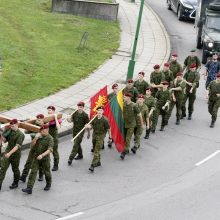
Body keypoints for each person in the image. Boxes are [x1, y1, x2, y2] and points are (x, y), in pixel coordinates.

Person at [22, 124, 53, 194]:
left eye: (43, 130)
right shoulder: (38, 137)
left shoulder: (50, 138)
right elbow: (32, 145)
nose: (41, 132)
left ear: (47, 130)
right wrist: (35, 138)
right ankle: (29, 188)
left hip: (45, 158)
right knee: (33, 171)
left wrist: (42, 155)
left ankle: (48, 184)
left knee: (47, 172)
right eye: (41, 130)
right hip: (36, 157)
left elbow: (50, 150)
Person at [0, 119, 25, 191]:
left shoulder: (21, 135)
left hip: (15, 154)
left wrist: (9, 153)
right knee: (3, 168)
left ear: (17, 124)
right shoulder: (10, 131)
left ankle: (15, 182)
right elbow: (5, 140)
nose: (11, 127)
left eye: (13, 126)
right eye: (11, 126)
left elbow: (17, 146)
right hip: (8, 151)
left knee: (15, 169)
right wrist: (1, 134)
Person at [20, 114, 45, 182]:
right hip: (33, 146)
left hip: (41, 147)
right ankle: (24, 176)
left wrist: (34, 135)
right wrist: (27, 125)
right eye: (37, 119)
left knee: (40, 162)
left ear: (43, 120)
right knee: (28, 162)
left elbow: (43, 135)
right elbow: (26, 132)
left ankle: (41, 175)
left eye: (39, 120)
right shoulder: (34, 126)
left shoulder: (45, 127)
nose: (38, 121)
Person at [85, 106, 111, 172]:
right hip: (94, 135)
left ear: (103, 112)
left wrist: (110, 137)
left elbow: (108, 129)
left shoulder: (105, 120)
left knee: (96, 151)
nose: (99, 112)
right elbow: (91, 126)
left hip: (101, 136)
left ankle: (92, 165)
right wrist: (88, 126)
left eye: (101, 110)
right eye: (98, 110)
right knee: (94, 149)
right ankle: (98, 162)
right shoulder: (94, 118)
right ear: (97, 111)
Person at [120, 93, 143, 160]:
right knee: (124, 138)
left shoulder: (134, 105)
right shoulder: (123, 104)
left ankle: (124, 152)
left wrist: (141, 124)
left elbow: (139, 114)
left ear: (128, 98)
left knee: (128, 138)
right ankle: (126, 149)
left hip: (131, 125)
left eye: (125, 97)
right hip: (124, 124)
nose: (124, 98)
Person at [47, 106, 61, 171]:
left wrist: (55, 118)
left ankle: (56, 165)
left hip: (54, 138)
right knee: (46, 152)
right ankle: (47, 164)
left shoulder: (58, 118)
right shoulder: (47, 118)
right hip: (47, 138)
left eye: (50, 110)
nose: (48, 111)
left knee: (54, 152)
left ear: (53, 111)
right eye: (48, 110)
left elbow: (58, 127)